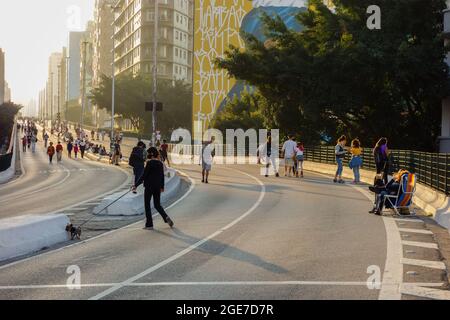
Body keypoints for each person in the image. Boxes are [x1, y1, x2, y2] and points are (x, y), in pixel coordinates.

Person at [133, 147, 174, 230]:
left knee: (147, 204)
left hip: (149, 186)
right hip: (157, 187)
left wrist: (136, 185)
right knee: (157, 204)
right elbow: (162, 176)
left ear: (151, 154)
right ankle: (165, 216)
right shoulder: (160, 163)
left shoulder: (149, 163)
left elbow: (144, 175)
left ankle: (149, 224)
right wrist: (162, 186)